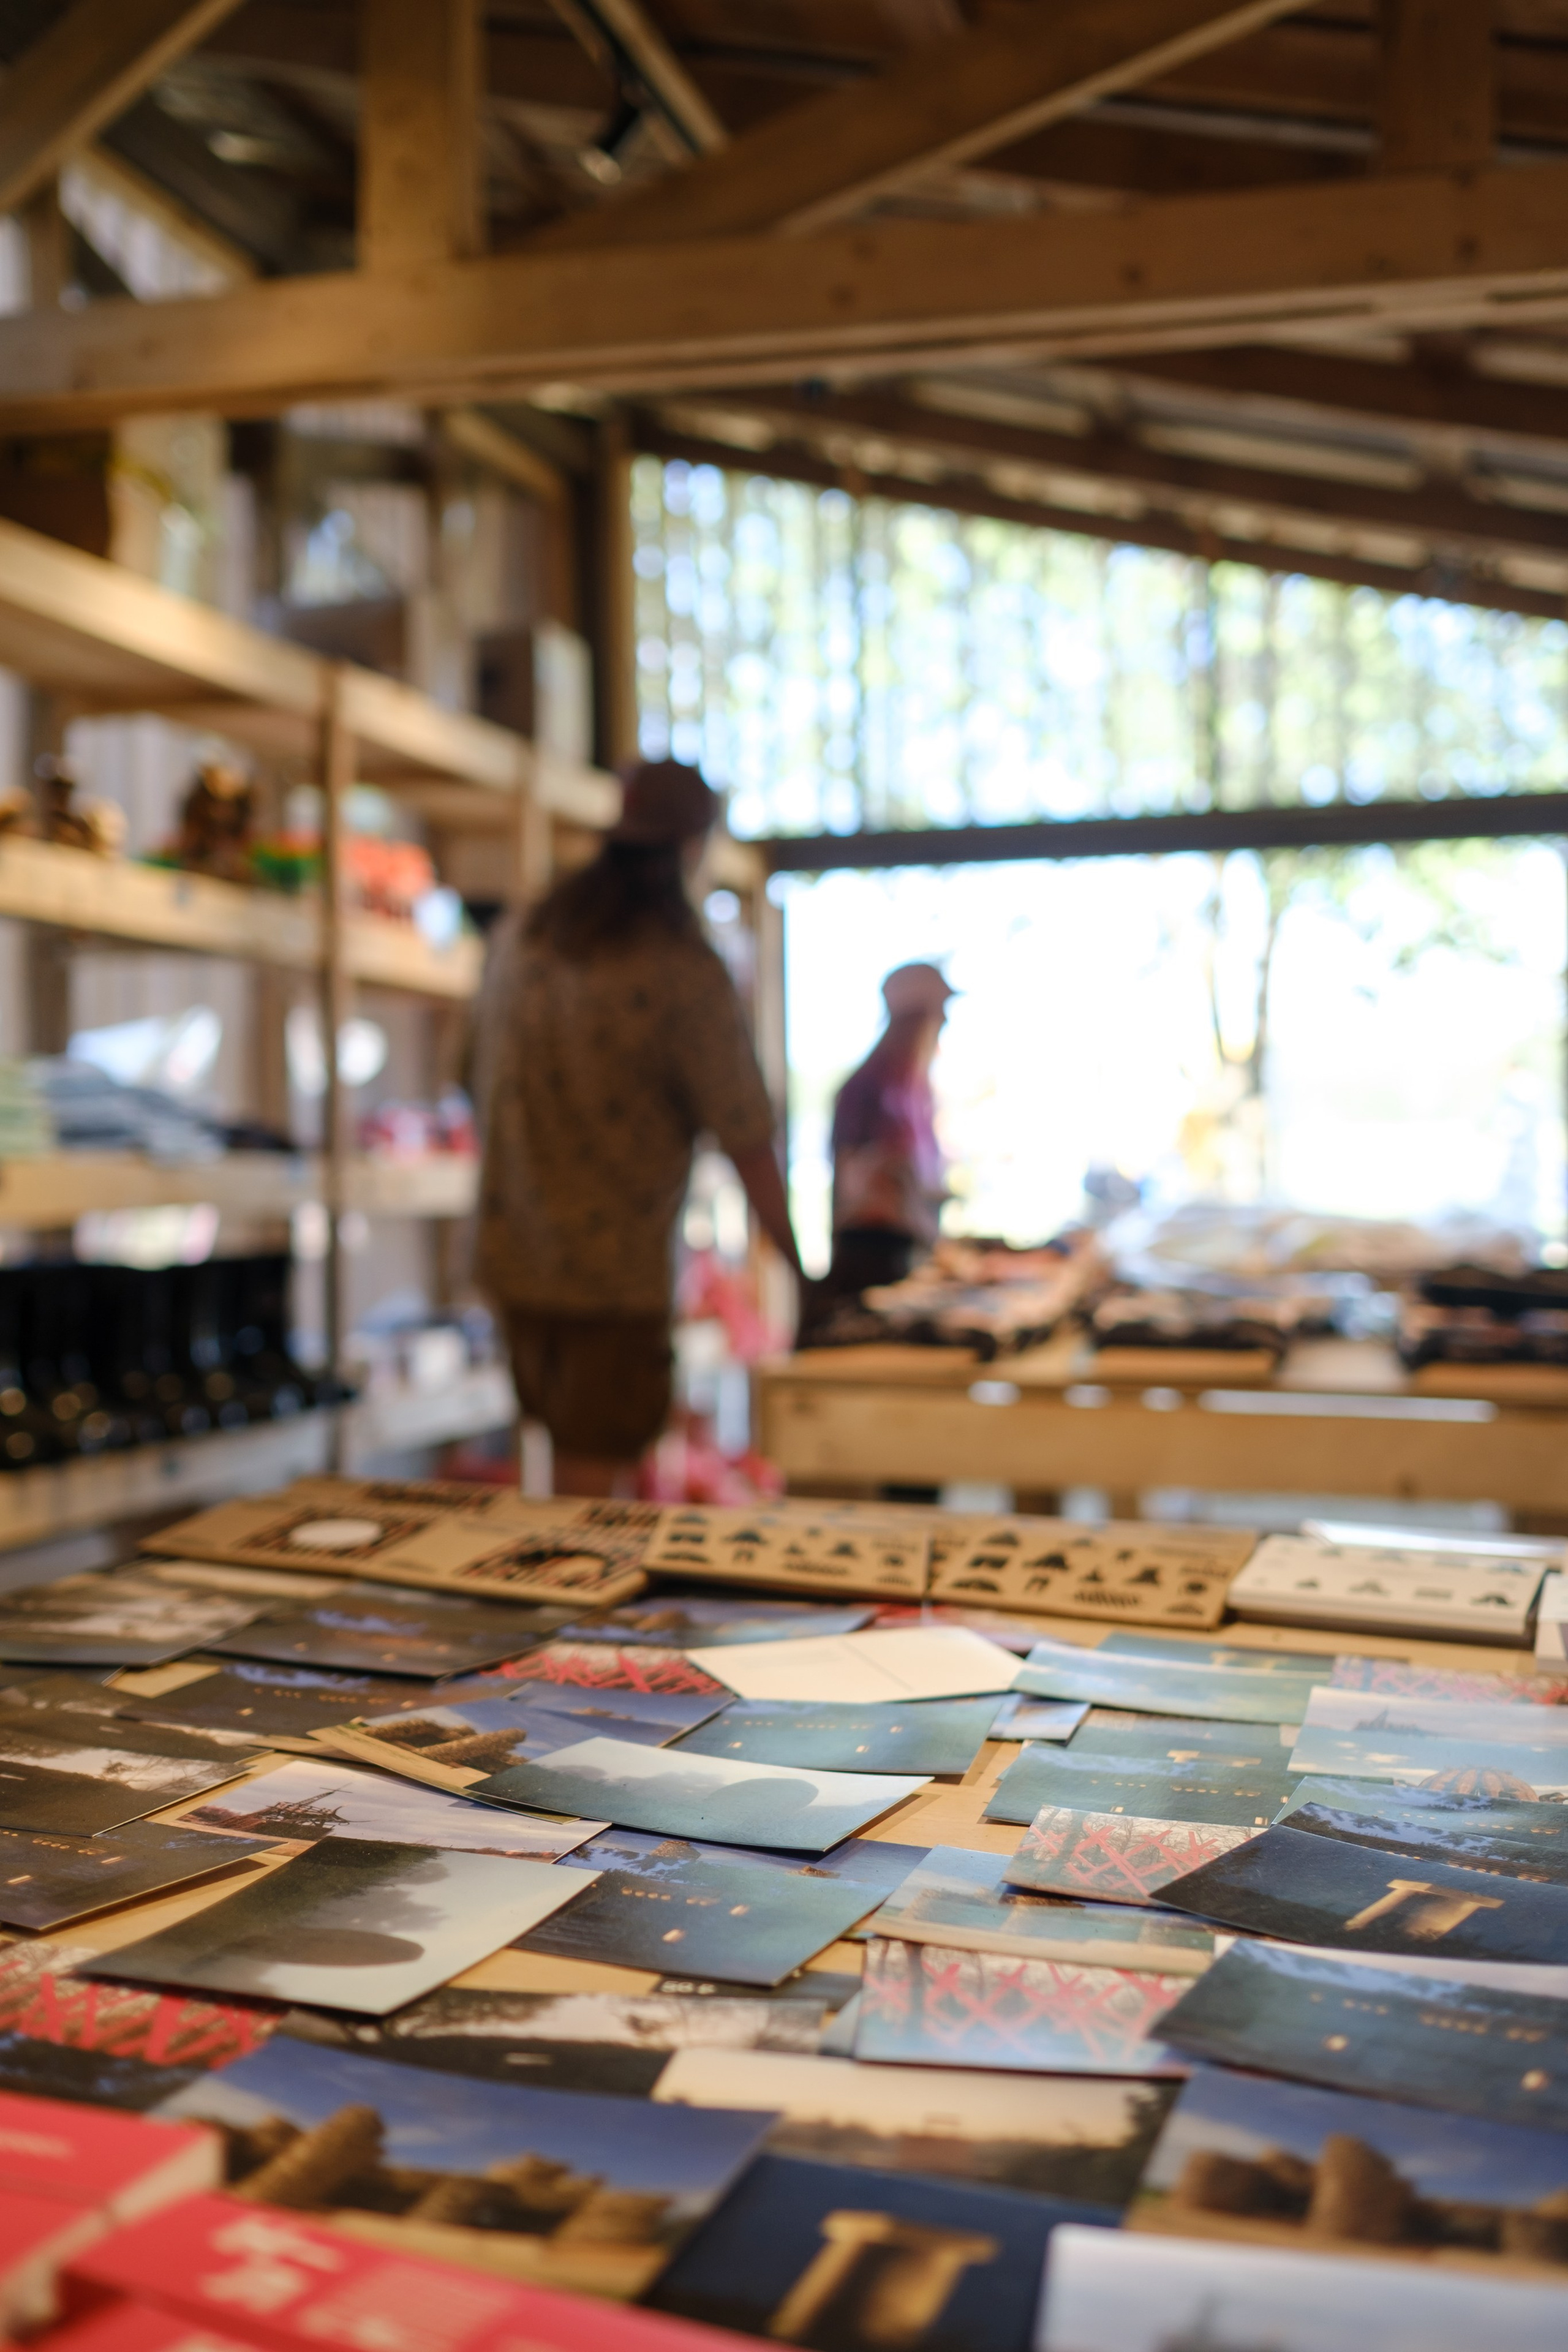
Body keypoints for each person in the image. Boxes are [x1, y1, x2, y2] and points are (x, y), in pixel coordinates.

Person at [474, 758, 801, 1497]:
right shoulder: (679, 967)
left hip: (513, 1257)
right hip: (612, 1276)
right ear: (695, 844)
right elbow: (746, 1133)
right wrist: (801, 1270)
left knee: (559, 1466)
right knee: (592, 1492)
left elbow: (465, 1072)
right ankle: (579, 1617)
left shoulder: (525, 938)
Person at [827, 961, 954, 1295]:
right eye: (939, 1010)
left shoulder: (914, 1086)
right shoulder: (870, 1087)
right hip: (875, 1255)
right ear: (915, 1016)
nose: (945, 1020)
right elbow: (862, 1187)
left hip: (907, 1247)